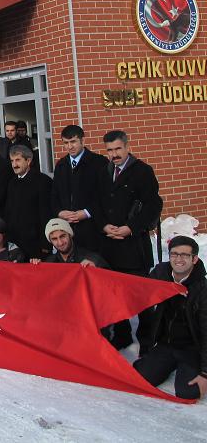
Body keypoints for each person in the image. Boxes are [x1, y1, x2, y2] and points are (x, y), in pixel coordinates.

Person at [95, 130, 162, 349]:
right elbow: (97, 204)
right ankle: (122, 335)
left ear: (126, 146)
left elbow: (153, 206)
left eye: (117, 149)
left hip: (133, 244)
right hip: (109, 243)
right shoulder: (104, 172)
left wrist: (130, 228)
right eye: (109, 150)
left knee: (139, 294)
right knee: (114, 294)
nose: (114, 154)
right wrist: (104, 225)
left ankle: (147, 339)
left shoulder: (142, 171)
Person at [134, 236, 207, 400]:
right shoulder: (160, 274)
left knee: (188, 393)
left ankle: (185, 368)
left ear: (194, 259)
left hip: (190, 348)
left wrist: (205, 373)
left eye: (184, 255)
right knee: (140, 378)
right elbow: (136, 291)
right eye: (174, 254)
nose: (178, 259)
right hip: (165, 345)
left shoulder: (202, 289)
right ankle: (155, 363)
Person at [51, 124, 108, 252]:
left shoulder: (99, 163)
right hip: (67, 229)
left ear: (83, 140)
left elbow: (104, 195)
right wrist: (60, 212)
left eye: (73, 142)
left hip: (92, 228)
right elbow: (54, 195)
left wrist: (87, 212)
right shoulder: (61, 165)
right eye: (66, 143)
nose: (69, 146)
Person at [2, 144, 52, 260]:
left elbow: (46, 215)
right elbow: (9, 212)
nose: (14, 164)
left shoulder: (43, 181)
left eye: (18, 160)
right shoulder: (12, 183)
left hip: (36, 244)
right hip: (15, 244)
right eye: (12, 161)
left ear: (28, 161)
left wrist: (45, 245)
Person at [29, 218, 108, 267]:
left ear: (70, 235)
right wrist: (37, 268)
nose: (60, 243)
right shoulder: (49, 262)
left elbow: (110, 281)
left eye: (62, 236)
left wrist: (96, 268)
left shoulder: (91, 258)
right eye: (54, 239)